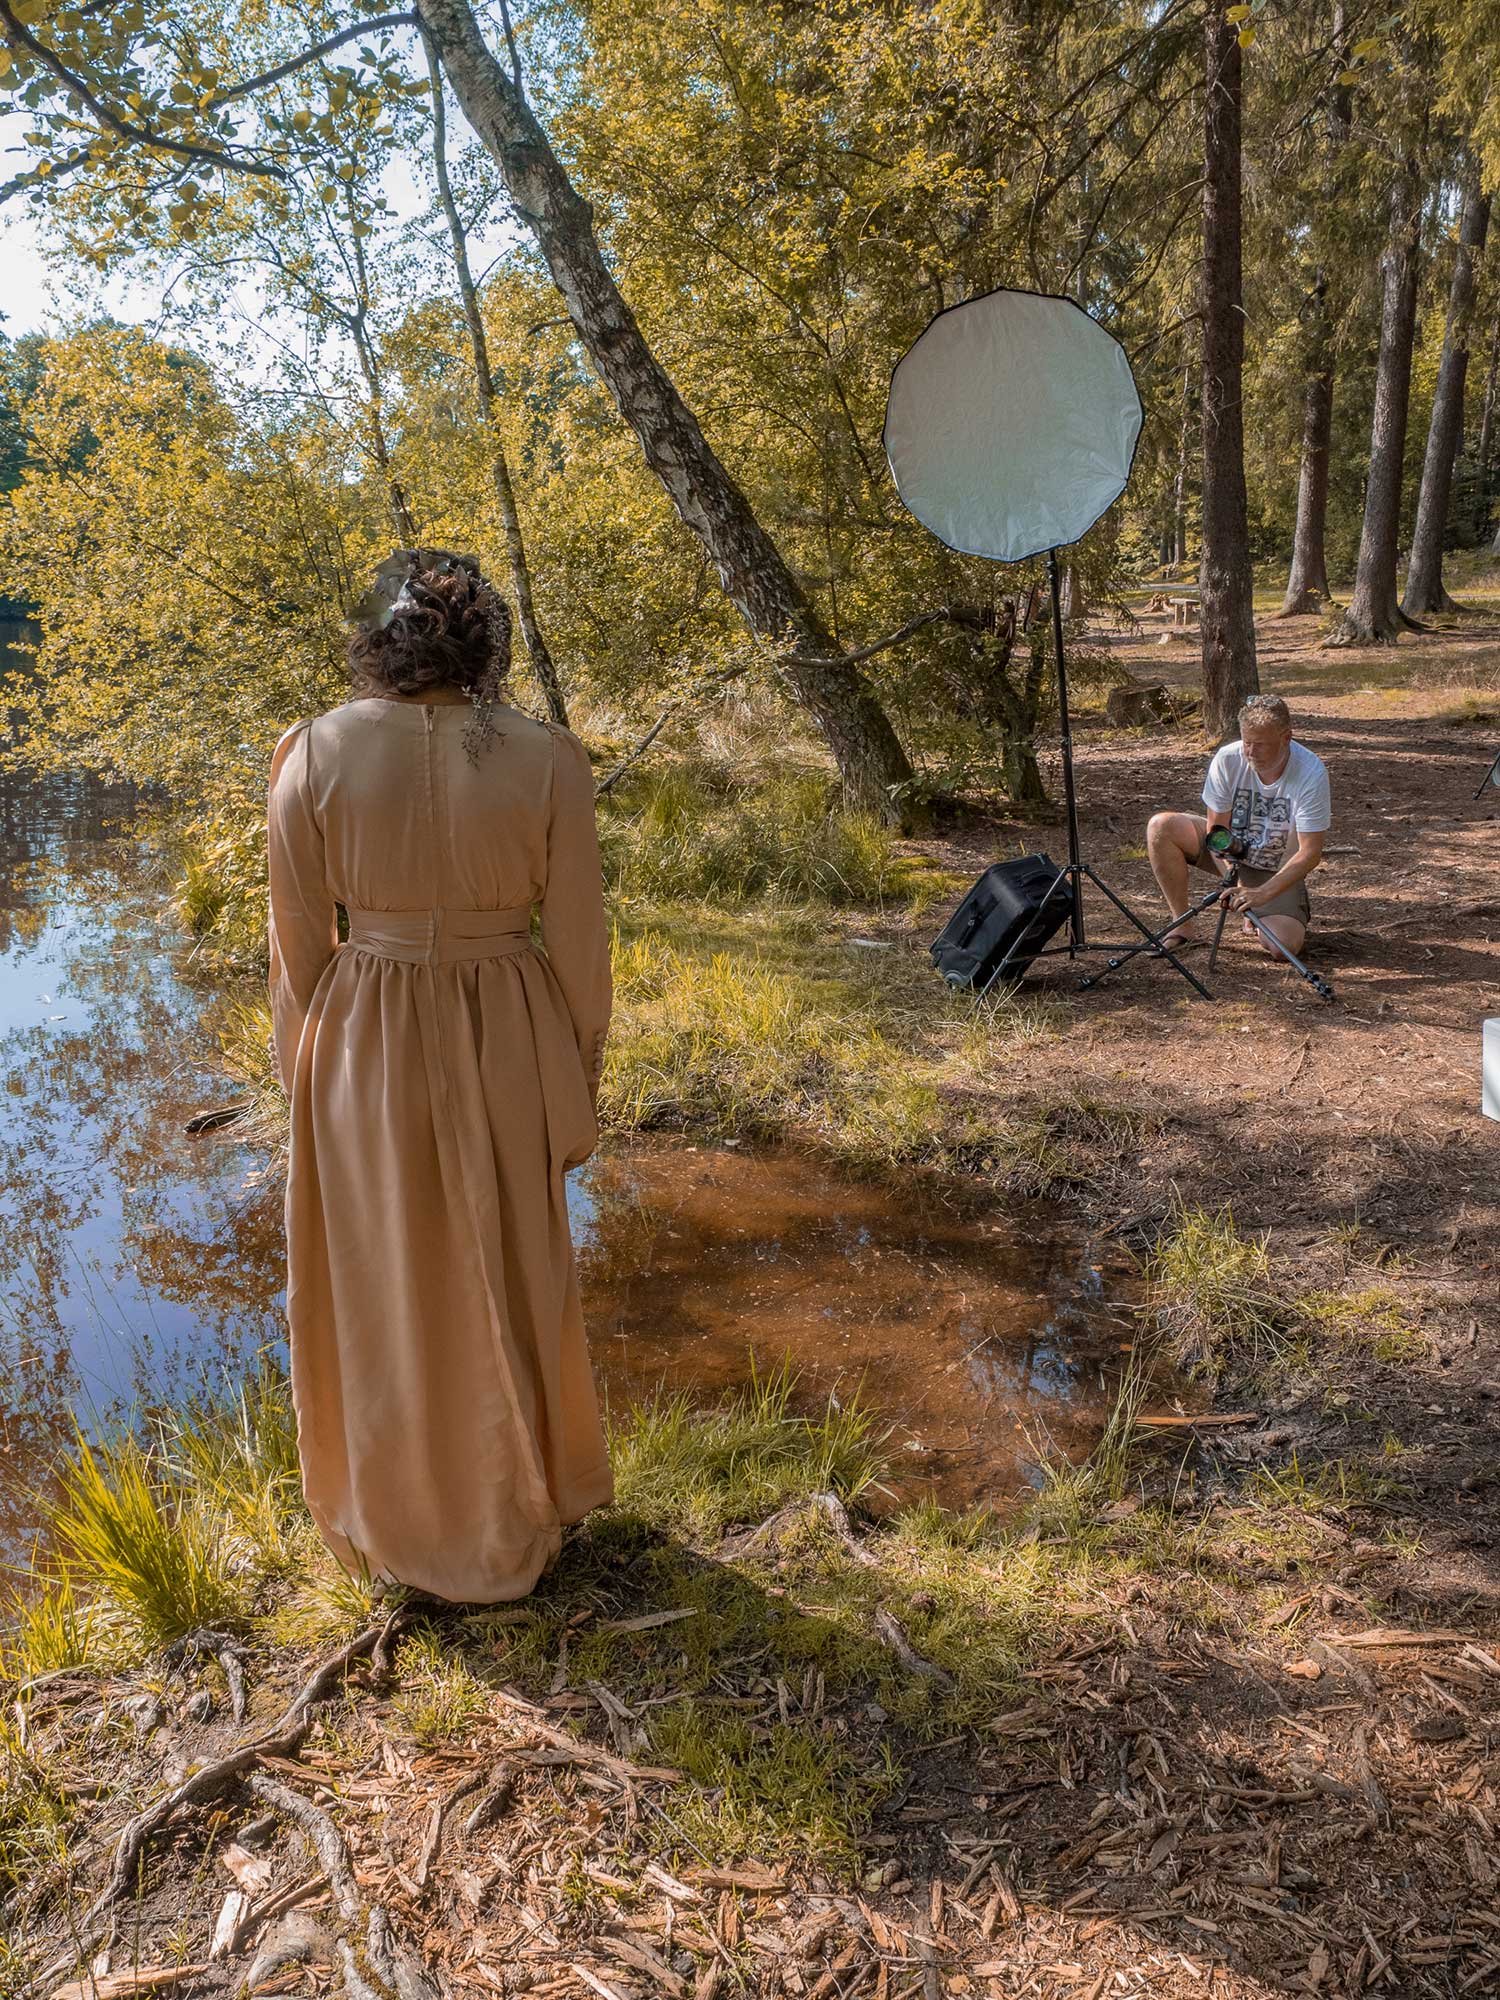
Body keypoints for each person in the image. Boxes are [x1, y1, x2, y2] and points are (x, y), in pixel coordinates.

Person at [266, 549, 614, 1604]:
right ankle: (515, 1511)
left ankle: (398, 1526)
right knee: (511, 1260)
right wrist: (575, 1074)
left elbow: (294, 951)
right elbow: (582, 952)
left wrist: (304, 1088)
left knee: (381, 1279)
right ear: (485, 643)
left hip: (362, 1030)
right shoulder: (548, 756)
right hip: (506, 1017)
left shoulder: (312, 751)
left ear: (374, 640)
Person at [1146, 692, 1330, 958]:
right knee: (1161, 826)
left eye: (1261, 745)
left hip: (1276, 869)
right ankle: (1182, 924)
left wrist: (1260, 894)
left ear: (1286, 738)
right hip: (1231, 856)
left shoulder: (1310, 773)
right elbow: (1216, 832)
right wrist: (1234, 878)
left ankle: (1262, 916)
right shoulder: (1228, 759)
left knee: (1283, 947)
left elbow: (1310, 853)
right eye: (1246, 742)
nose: (1251, 752)